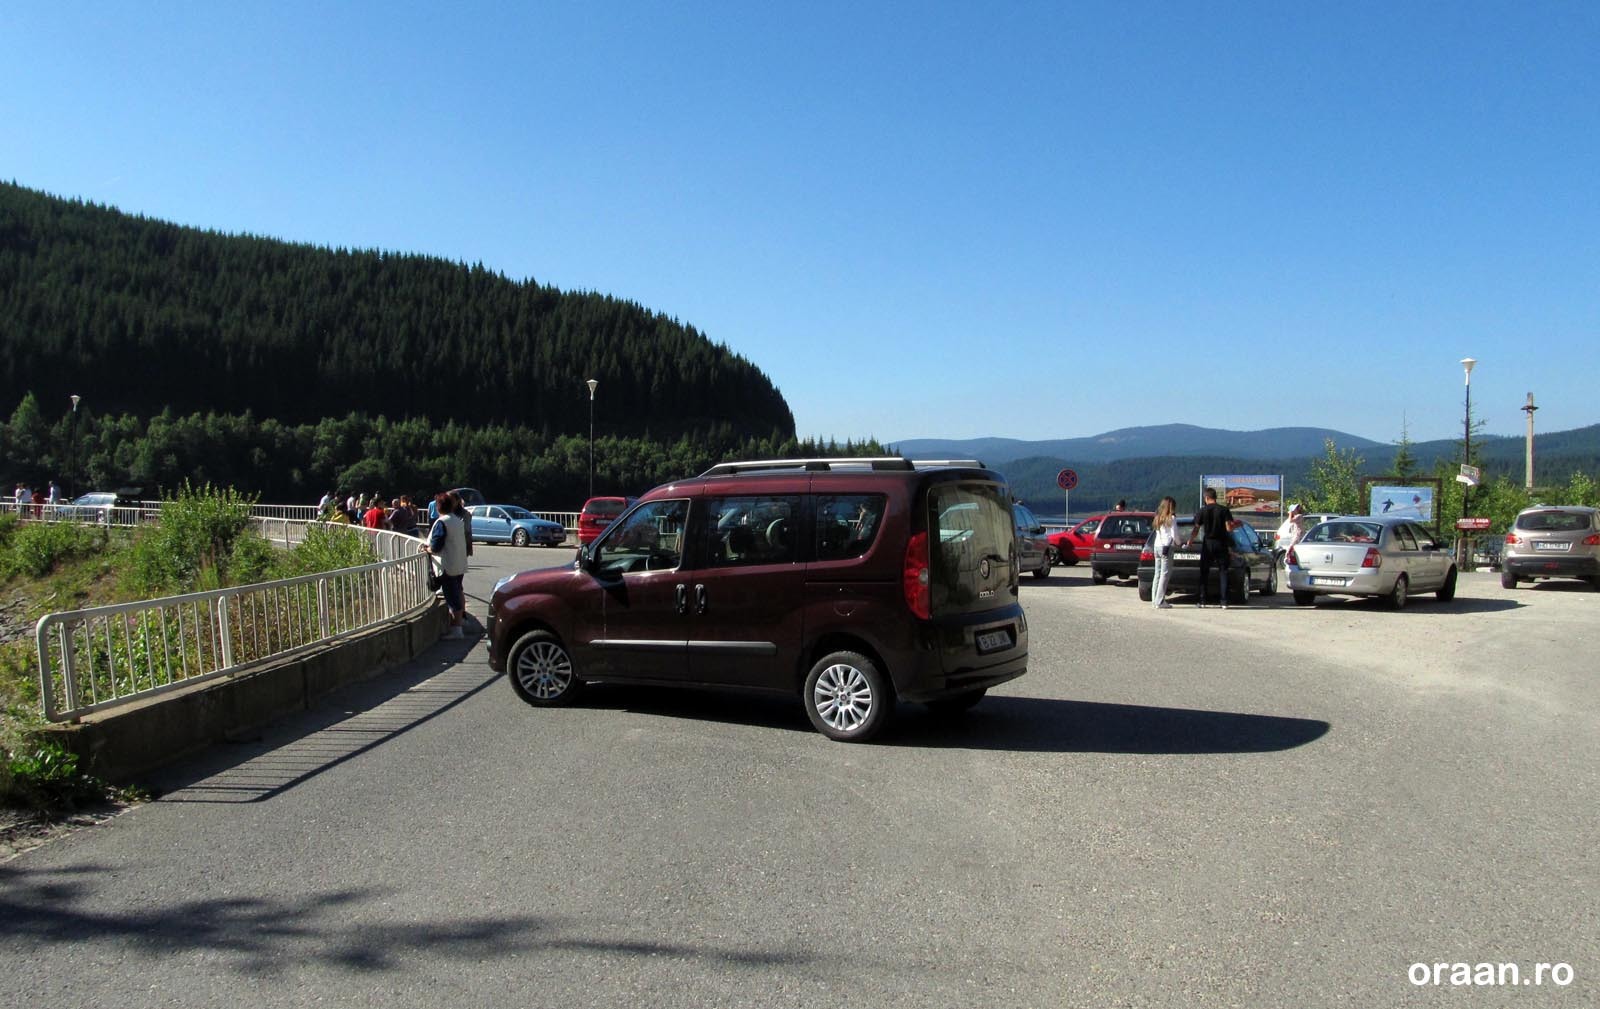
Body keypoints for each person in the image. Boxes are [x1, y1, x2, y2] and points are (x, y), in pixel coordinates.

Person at [423, 492, 469, 638]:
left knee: (451, 597)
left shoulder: (442, 522)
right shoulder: (457, 520)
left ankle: (457, 629)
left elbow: (436, 546)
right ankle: (460, 623)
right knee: (457, 592)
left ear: (438, 507)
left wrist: (427, 549)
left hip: (447, 565)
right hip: (459, 563)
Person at [1193, 487, 1235, 608]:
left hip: (1208, 544)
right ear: (1215, 497)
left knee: (1204, 572)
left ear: (1206, 498)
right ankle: (1224, 602)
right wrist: (1235, 525)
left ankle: (1202, 600)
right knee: (1223, 572)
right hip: (1221, 543)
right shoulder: (1224, 510)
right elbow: (1228, 528)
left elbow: (1196, 528)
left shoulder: (1202, 511)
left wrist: (1191, 540)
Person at [1150, 496, 1180, 610]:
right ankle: (1160, 600)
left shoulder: (1158, 517)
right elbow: (1174, 535)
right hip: (1167, 547)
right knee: (1165, 574)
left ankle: (1154, 600)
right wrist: (1179, 543)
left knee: (1157, 573)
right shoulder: (1171, 518)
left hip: (1156, 546)